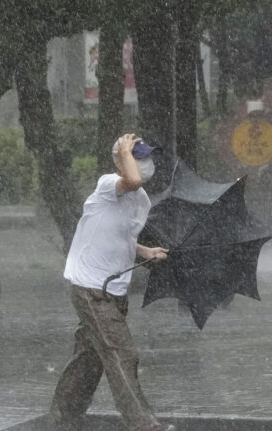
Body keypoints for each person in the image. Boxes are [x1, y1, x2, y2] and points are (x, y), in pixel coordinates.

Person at [50, 134, 175, 431]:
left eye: (146, 157)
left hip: (114, 290)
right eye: (137, 157)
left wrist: (146, 251)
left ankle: (62, 416)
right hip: (91, 288)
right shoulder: (109, 185)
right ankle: (143, 424)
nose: (145, 164)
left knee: (90, 357)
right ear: (119, 161)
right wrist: (123, 152)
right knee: (122, 353)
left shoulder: (139, 200)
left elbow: (123, 236)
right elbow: (131, 179)